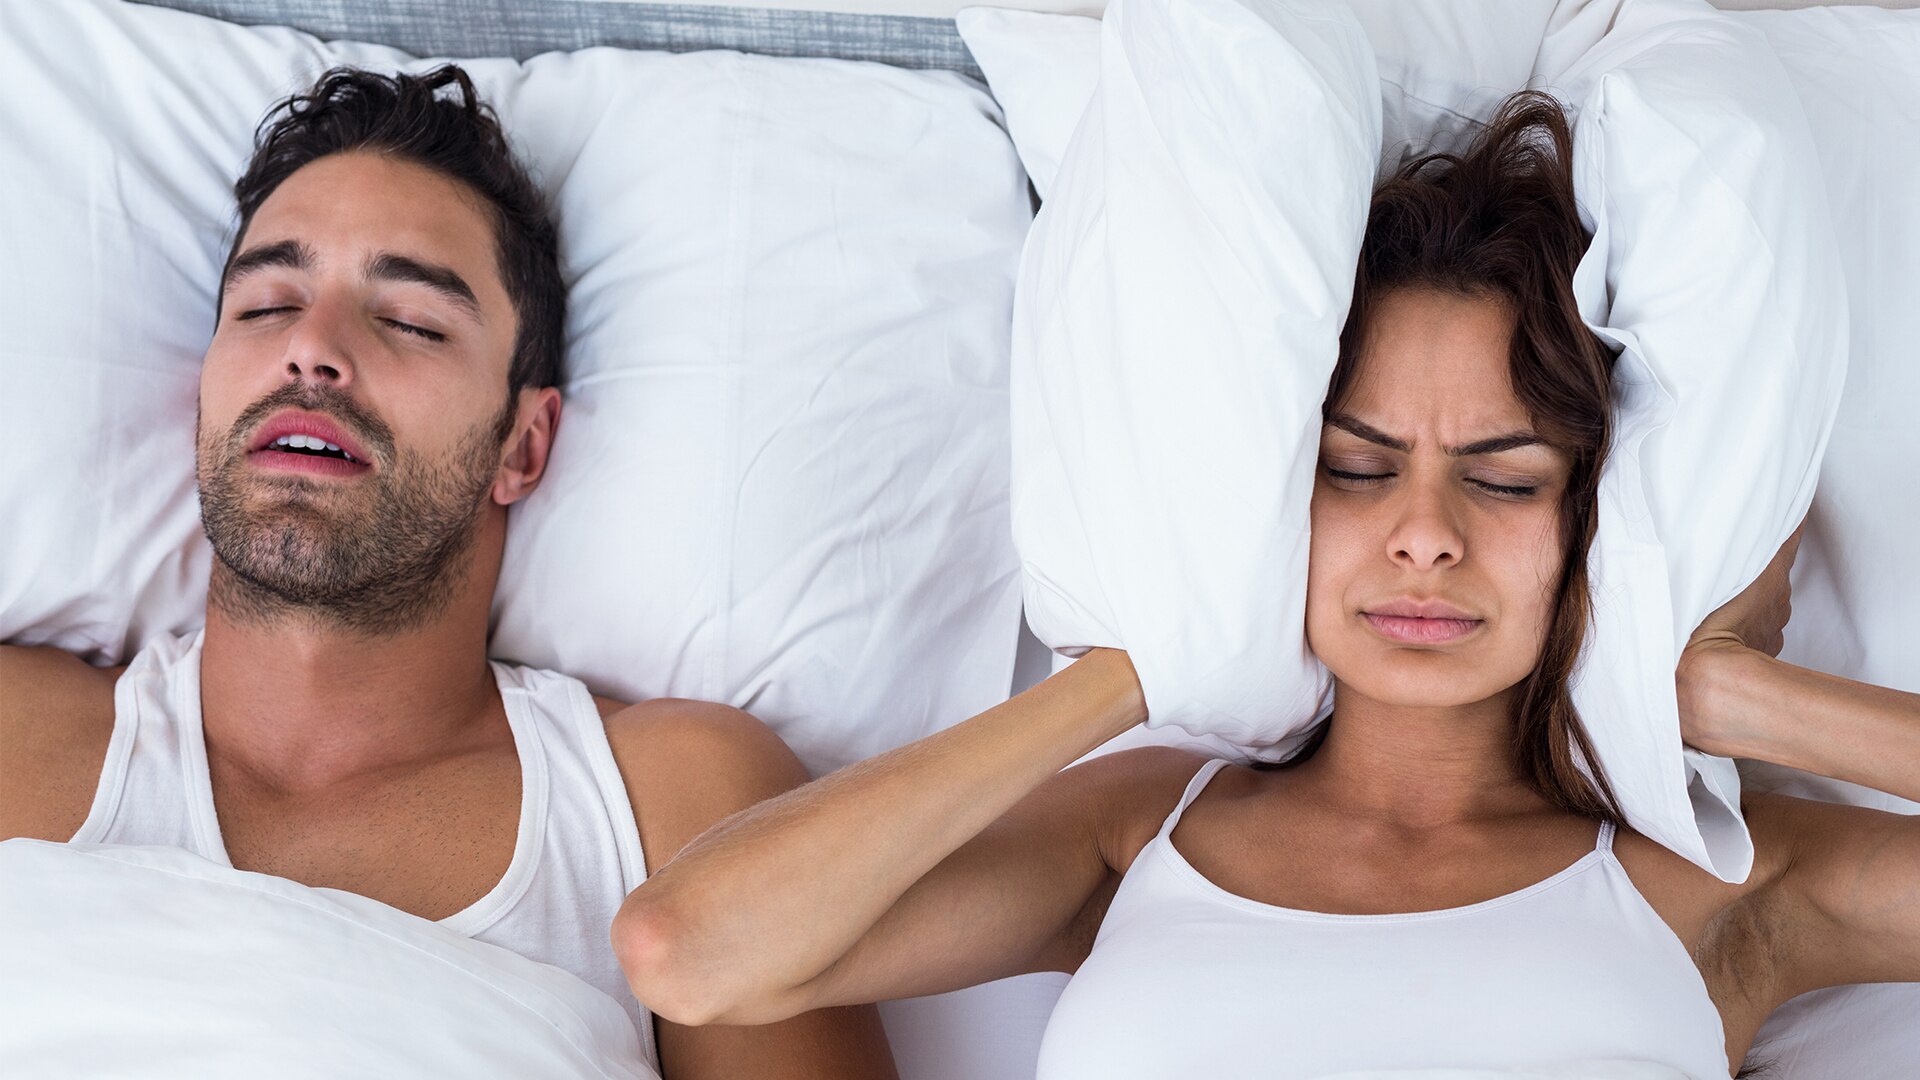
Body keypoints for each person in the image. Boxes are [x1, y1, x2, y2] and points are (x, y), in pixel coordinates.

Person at [611, 93, 1920, 1078]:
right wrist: (1131, 679)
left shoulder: (1714, 886)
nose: (1425, 535)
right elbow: (690, 949)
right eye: (1357, 469)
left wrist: (1735, 699)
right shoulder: (1142, 832)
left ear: (1592, 525)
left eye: (1506, 479)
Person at [0, 65, 895, 1080]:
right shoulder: (13, 738)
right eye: (265, 305)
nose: (312, 348)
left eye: (413, 322)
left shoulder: (667, 810)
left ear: (521, 444)